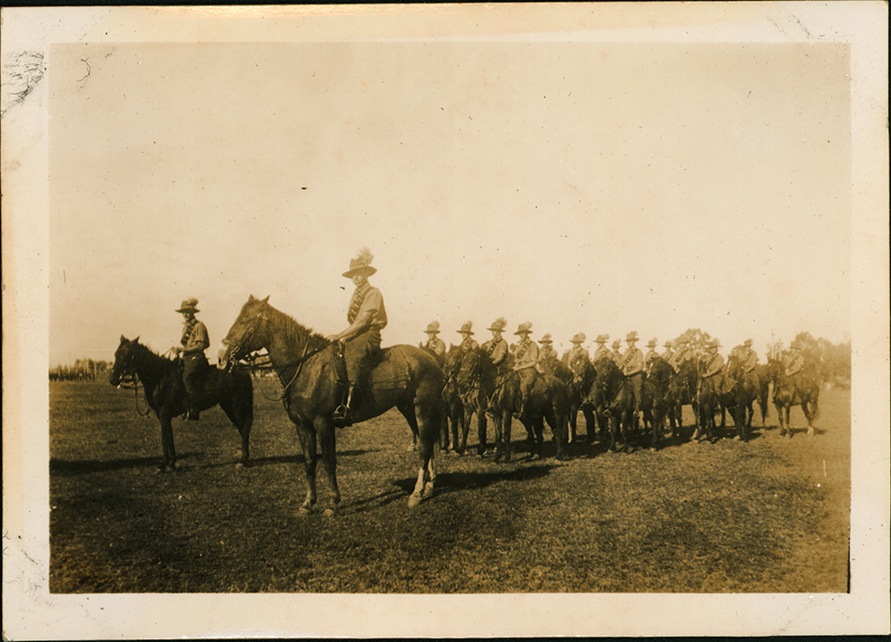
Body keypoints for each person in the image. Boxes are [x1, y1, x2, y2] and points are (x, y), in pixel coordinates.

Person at [326, 248, 387, 428]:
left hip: (369, 334)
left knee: (353, 354)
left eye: (359, 274)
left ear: (366, 274)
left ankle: (348, 408)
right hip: (357, 334)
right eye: (353, 275)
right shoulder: (356, 294)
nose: (355, 278)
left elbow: (362, 322)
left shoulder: (373, 293)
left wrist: (339, 335)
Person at [172, 297, 209, 421]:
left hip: (197, 358)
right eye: (183, 312)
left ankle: (194, 409)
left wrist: (182, 350)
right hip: (187, 358)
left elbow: (201, 345)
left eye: (188, 311)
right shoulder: (186, 327)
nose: (185, 314)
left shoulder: (199, 325)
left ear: (193, 312)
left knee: (187, 377)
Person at [511, 322, 540, 417]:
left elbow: (533, 362)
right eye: (520, 333)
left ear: (527, 334)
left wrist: (519, 367)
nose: (521, 335)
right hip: (518, 369)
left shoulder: (532, 345)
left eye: (523, 333)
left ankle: (524, 410)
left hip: (529, 370)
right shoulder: (519, 346)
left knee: (523, 385)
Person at [620, 331, 644, 417]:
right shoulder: (625, 353)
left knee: (637, 389)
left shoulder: (638, 352)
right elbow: (621, 365)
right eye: (627, 341)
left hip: (636, 375)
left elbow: (639, 367)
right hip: (626, 375)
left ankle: (638, 409)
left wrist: (629, 373)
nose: (628, 343)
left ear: (634, 341)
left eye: (630, 341)